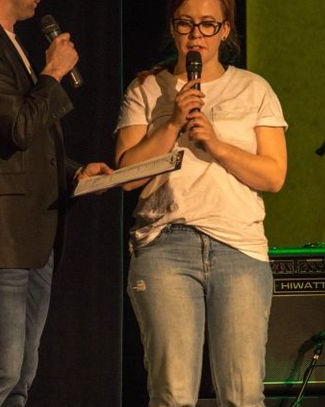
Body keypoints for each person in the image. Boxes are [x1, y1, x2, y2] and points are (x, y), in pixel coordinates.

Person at [115, 0, 288, 405]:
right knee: (173, 394)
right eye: (186, 24)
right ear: (172, 27)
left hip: (238, 248)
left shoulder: (254, 89)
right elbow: (126, 176)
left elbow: (273, 175)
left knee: (243, 394)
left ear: (225, 29)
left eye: (208, 24)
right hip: (165, 247)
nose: (196, 35)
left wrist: (216, 144)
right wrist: (173, 122)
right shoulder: (145, 89)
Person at [0, 1, 112, 406]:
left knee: (20, 377)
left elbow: (30, 147)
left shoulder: (9, 41)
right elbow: (18, 126)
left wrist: (75, 173)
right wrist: (53, 72)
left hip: (32, 234)